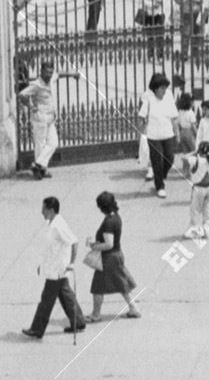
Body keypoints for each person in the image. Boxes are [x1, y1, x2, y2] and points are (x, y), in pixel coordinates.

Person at [22, 197, 85, 339]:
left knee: (46, 300)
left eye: (43, 209)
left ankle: (37, 329)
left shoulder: (58, 225)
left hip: (57, 270)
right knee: (66, 296)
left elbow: (74, 242)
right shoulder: (52, 223)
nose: (41, 212)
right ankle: (79, 322)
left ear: (51, 210)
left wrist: (71, 263)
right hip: (53, 267)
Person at [86, 192, 141, 321]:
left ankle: (96, 314)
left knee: (97, 287)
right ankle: (134, 308)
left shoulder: (108, 222)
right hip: (117, 255)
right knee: (121, 284)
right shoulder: (116, 217)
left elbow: (109, 244)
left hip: (108, 258)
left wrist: (93, 246)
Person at [19, 60, 77, 179]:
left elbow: (59, 74)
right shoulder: (36, 84)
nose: (49, 74)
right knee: (40, 144)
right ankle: (41, 170)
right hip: (40, 117)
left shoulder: (51, 79)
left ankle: (37, 165)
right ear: (41, 71)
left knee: (53, 142)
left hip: (50, 118)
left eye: (50, 72)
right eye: (46, 72)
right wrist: (31, 106)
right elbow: (22, 95)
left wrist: (72, 74)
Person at [138, 74, 177, 198]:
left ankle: (161, 176)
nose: (164, 91)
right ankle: (160, 186)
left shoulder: (169, 96)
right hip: (153, 135)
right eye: (161, 88)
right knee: (157, 160)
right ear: (155, 89)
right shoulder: (148, 97)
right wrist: (141, 130)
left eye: (165, 88)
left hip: (167, 133)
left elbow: (174, 115)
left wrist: (177, 131)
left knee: (170, 157)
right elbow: (141, 116)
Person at [186, 142, 209, 243]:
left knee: (195, 210)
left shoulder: (195, 159)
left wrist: (194, 152)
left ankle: (196, 231)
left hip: (199, 188)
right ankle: (207, 231)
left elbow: (185, 157)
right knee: (208, 210)